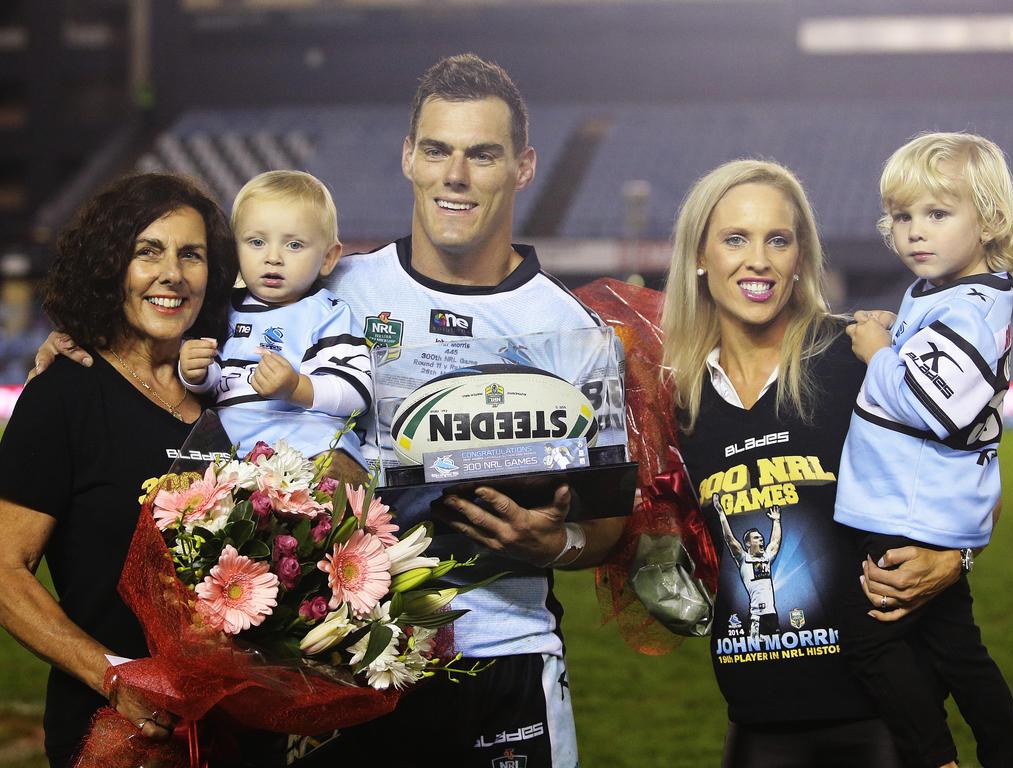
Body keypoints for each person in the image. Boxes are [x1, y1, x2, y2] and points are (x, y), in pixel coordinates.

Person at [35, 54, 625, 768]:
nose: (456, 175)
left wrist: (556, 544)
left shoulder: (572, 331)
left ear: (524, 166)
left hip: (504, 661)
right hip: (341, 671)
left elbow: (607, 525)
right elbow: (173, 308)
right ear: (409, 156)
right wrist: (82, 346)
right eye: (437, 149)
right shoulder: (328, 282)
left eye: (483, 154)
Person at [659, 158, 963, 766]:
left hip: (884, 715)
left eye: (779, 239)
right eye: (735, 239)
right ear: (700, 255)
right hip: (757, 719)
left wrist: (955, 557)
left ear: (801, 256)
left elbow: (971, 476)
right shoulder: (676, 399)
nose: (759, 260)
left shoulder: (857, 359)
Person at [0, 173, 237, 767]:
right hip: (118, 738)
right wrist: (113, 676)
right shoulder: (65, 396)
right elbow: (5, 569)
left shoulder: (231, 396)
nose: (172, 274)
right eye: (147, 251)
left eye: (192, 254)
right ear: (110, 267)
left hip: (244, 731)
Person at [835, 132, 1013, 768]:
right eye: (903, 215)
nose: (915, 231)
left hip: (908, 511)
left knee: (869, 644)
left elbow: (934, 405)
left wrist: (877, 354)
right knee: (954, 650)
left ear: (989, 218)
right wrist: (895, 332)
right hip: (920, 503)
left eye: (938, 214)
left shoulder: (970, 307)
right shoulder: (945, 291)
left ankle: (935, 757)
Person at [179, 170, 371, 461]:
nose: (273, 257)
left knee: (338, 470)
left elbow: (357, 392)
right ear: (234, 250)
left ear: (328, 258)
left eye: (294, 245)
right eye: (256, 242)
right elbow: (216, 382)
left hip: (308, 445)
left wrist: (297, 387)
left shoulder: (328, 313)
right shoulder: (222, 308)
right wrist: (195, 373)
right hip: (231, 447)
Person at [714, 494, 781, 639]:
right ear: (748, 543)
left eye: (761, 537)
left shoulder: (766, 558)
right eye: (756, 538)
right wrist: (721, 513)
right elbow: (730, 540)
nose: (761, 539)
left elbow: (775, 542)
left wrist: (776, 521)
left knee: (779, 652)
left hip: (772, 615)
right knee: (756, 654)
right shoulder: (744, 559)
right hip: (756, 617)